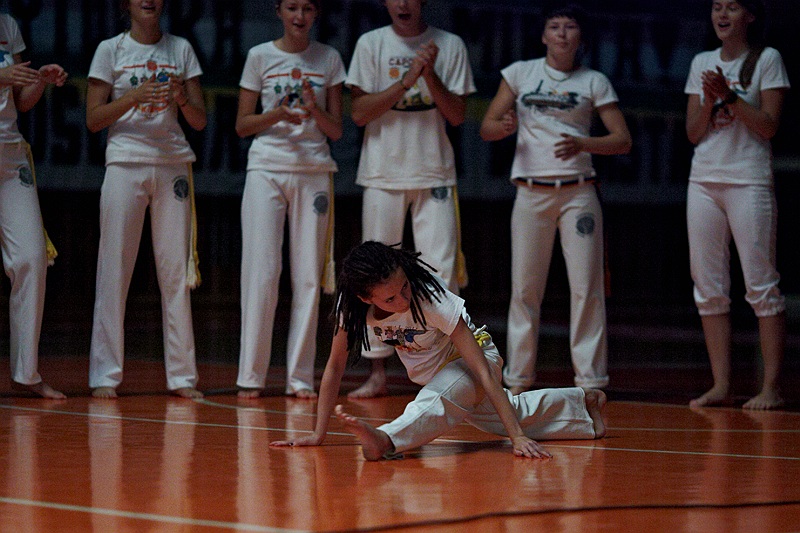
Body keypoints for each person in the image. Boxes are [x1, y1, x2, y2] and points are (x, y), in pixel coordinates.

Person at [271, 241, 606, 460]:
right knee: (504, 416)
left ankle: (386, 440)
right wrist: (318, 433)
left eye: (404, 286)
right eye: (390, 298)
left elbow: (482, 369)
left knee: (439, 399)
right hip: (438, 377)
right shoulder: (351, 309)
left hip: (474, 360)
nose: (403, 299)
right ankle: (582, 406)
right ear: (365, 298)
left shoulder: (429, 298)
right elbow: (334, 367)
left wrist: (516, 438)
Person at [479, 4, 631, 395]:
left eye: (570, 26)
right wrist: (503, 126)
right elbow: (487, 127)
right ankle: (518, 379)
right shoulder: (520, 73)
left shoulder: (594, 80)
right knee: (524, 289)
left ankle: (591, 381)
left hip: (579, 192)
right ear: (544, 35)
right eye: (555, 26)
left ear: (580, 36)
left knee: (586, 288)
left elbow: (622, 140)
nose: (562, 33)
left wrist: (584, 143)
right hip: (530, 192)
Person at [344, 0, 476, 399]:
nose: (403, 4)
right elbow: (359, 112)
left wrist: (429, 74)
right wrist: (406, 80)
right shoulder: (371, 43)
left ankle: (449, 370)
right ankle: (377, 372)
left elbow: (457, 115)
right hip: (382, 171)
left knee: (441, 271)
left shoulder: (449, 44)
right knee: (375, 276)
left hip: (434, 171)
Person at [86, 0, 207, 398]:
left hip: (173, 163)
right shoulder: (111, 50)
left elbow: (200, 120)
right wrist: (133, 97)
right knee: (114, 269)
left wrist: (182, 99)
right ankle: (105, 376)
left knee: (175, 273)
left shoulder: (180, 48)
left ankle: (183, 377)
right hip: (125, 162)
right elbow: (93, 118)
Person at [235, 0, 345, 399]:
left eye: (308, 8)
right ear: (279, 11)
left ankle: (299, 377)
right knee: (261, 272)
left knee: (308, 277)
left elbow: (336, 130)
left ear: (316, 14)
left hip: (313, 170)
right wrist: (278, 114)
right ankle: (251, 376)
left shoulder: (329, 58)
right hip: (266, 167)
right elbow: (243, 124)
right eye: (292, 8)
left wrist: (314, 109)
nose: (300, 16)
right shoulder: (259, 56)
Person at [685, 0, 789, 410]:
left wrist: (729, 96)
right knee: (708, 287)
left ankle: (771, 387)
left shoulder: (767, 59)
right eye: (716, 7)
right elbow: (694, 133)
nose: (722, 15)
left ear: (750, 15)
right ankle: (721, 384)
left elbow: (769, 125)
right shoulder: (702, 61)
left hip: (748, 179)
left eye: (732, 7)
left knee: (761, 284)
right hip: (703, 181)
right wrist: (710, 101)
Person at [0, 13, 67, 399]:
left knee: (31, 257)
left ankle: (25, 373)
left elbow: (21, 101)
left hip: (11, 155)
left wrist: (39, 79)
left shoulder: (8, 25)